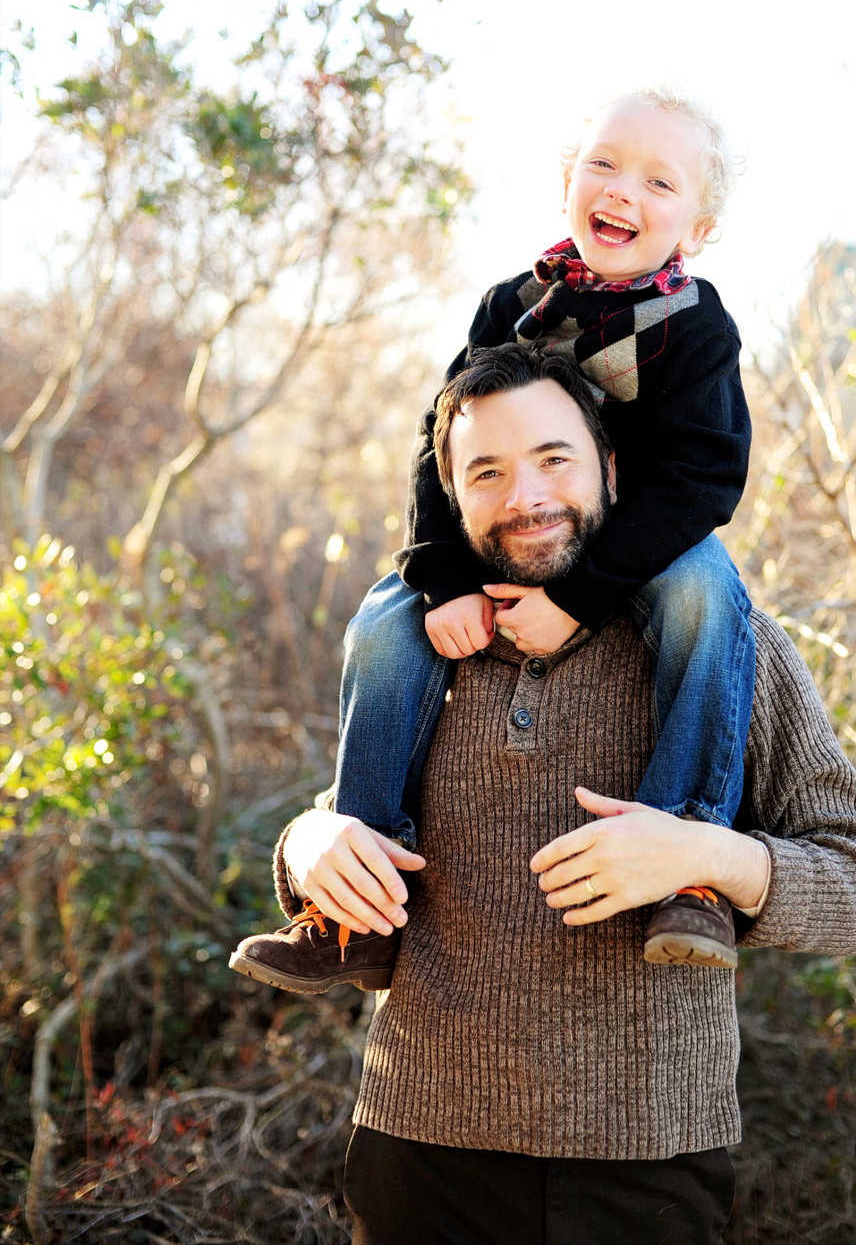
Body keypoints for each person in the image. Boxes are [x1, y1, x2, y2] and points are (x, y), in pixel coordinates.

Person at [248, 352, 856, 1244]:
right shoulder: (419, 646)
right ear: (451, 495)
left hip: (647, 1164)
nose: (527, 495)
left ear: (611, 469)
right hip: (419, 1150)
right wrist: (307, 843)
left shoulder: (723, 640)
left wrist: (707, 855)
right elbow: (347, 824)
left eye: (555, 458)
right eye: (488, 471)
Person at [230, 84, 755, 990]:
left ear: (699, 229)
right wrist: (442, 581)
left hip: (637, 546)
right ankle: (360, 897)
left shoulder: (695, 328)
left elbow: (703, 479)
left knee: (706, 589)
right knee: (381, 622)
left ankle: (688, 863)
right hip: (506, 536)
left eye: (659, 181)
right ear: (566, 184)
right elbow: (444, 442)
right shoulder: (514, 304)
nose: (623, 190)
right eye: (604, 164)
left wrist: (578, 597)